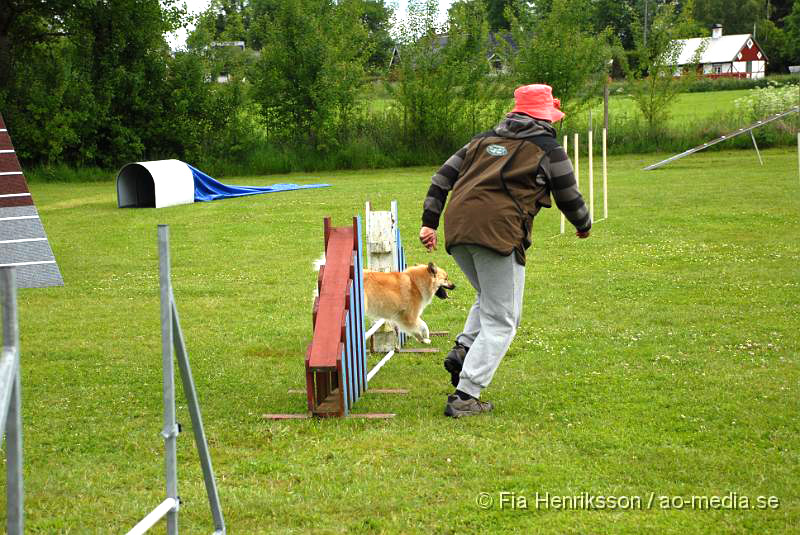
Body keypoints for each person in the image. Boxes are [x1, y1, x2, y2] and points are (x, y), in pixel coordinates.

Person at [419, 84, 591, 418]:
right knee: (503, 320)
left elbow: (442, 178)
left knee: (489, 298)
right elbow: (568, 194)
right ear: (545, 117)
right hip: (497, 232)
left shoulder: (480, 141)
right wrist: (582, 223)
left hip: (458, 228)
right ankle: (466, 395)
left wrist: (429, 222)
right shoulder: (548, 148)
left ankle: (464, 348)